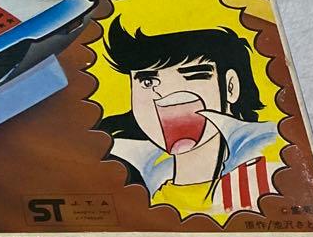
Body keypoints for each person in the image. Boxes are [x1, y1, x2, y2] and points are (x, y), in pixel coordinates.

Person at [97, 19, 282, 217]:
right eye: (148, 81)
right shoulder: (129, 184)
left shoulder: (265, 181)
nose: (166, 95)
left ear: (231, 87)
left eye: (193, 76)